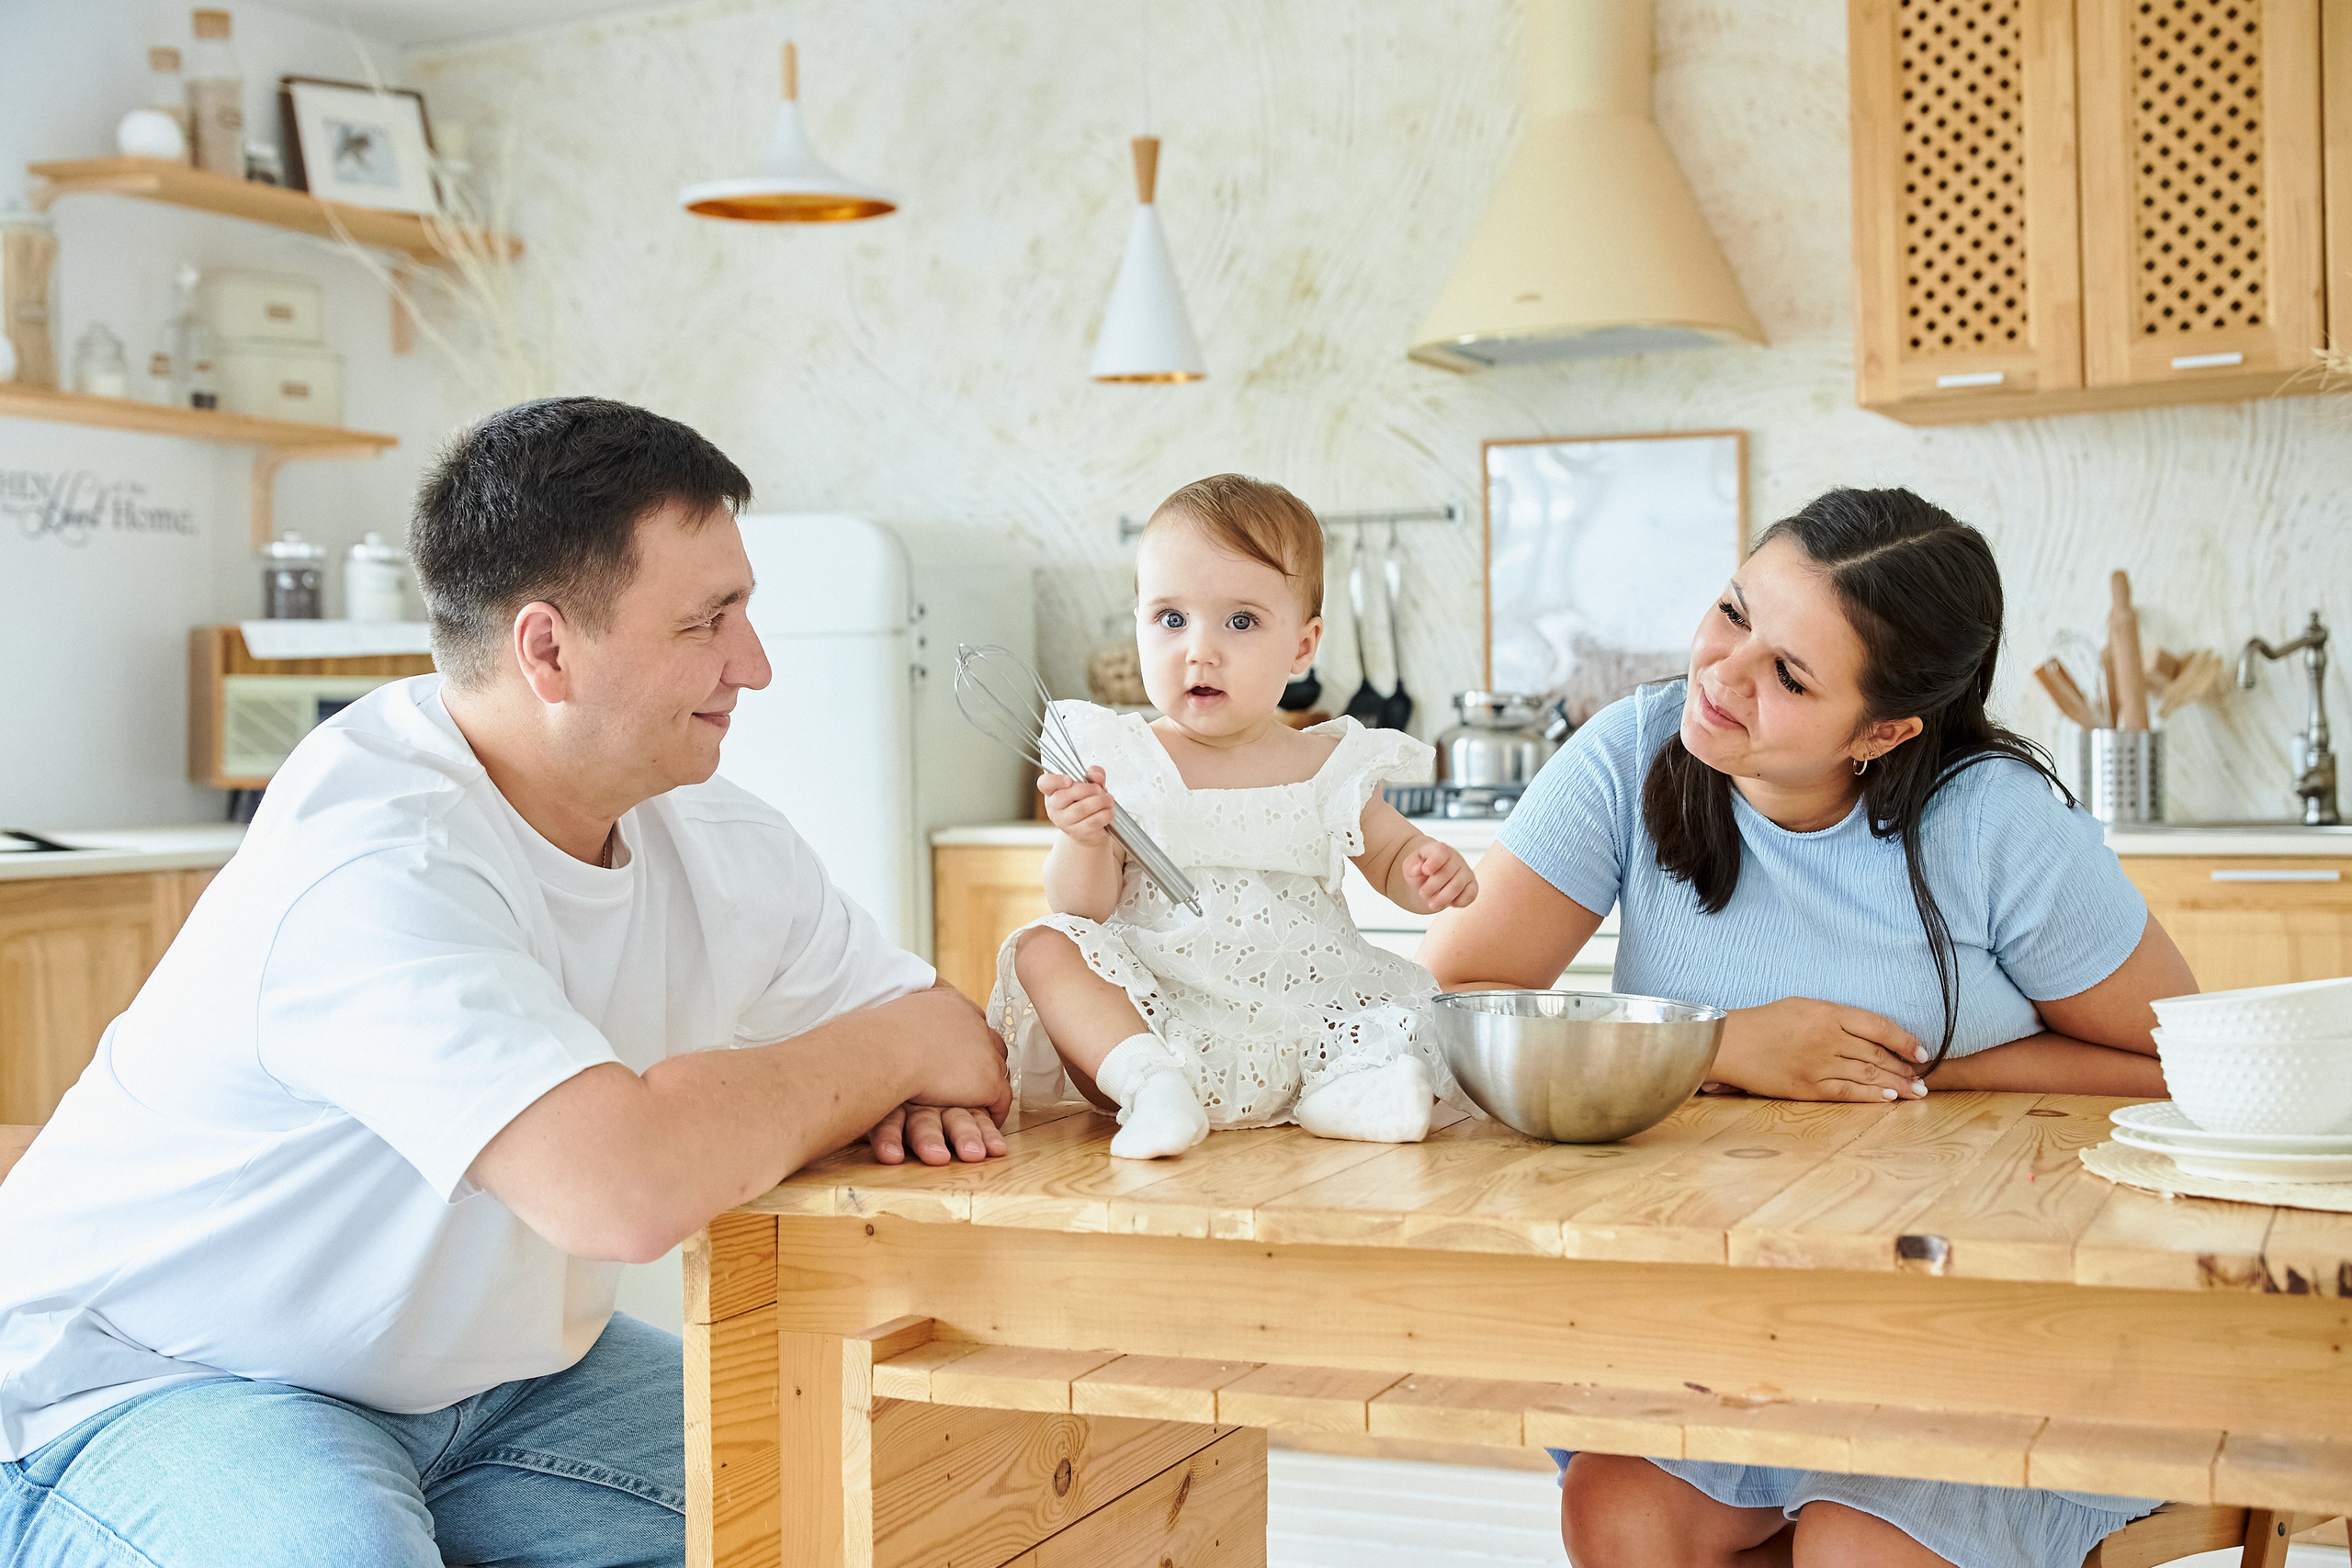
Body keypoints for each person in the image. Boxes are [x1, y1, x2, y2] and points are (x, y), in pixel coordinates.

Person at [0, 398, 1011, 1567]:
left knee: (916, 1499)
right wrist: (881, 1059)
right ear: (546, 650)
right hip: (160, 1379)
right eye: (709, 621)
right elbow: (624, 1189)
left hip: (501, 1385)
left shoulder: (714, 835)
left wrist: (879, 1060)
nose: (757, 664)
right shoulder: (373, 860)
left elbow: (961, 1046)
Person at [1420, 488, 2194, 1568]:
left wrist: (1949, 1068)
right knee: (1621, 1515)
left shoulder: (1994, 823)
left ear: (1882, 730)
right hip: (1735, 1311)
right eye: (1734, 613)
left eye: (1788, 675)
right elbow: (1462, 1000)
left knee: (1853, 1550)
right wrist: (1720, 1042)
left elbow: (2187, 1060)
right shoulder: (1633, 751)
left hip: (1981, 1321)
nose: (1721, 675)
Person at [993, 473, 1480, 1160]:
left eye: (1241, 621)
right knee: (1045, 945)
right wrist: (1082, 836)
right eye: (1171, 618)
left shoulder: (1326, 764)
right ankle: (1154, 1089)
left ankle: (1342, 1095)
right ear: (1138, 623)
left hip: (1305, 1009)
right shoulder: (1121, 759)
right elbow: (1083, 908)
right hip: (1163, 1011)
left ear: (1303, 647)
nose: (1200, 648)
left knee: (1414, 1033)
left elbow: (1393, 857)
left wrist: (1424, 869)